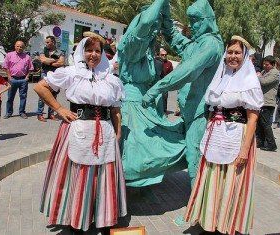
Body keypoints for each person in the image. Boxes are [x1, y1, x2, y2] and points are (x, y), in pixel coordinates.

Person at [35, 35, 127, 231]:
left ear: (103, 54)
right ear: (82, 52)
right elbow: (40, 87)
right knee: (77, 176)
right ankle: (76, 219)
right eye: (89, 50)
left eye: (97, 51)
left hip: (104, 132)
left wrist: (118, 134)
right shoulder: (71, 73)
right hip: (77, 129)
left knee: (103, 177)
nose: (93, 54)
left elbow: (115, 110)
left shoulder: (111, 80)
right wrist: (59, 109)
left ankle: (102, 218)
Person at [184, 37, 264, 234]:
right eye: (230, 52)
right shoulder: (221, 77)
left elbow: (252, 119)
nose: (233, 56)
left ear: (244, 56)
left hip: (237, 137)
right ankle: (209, 222)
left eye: (237, 53)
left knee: (231, 181)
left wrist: (244, 150)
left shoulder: (249, 82)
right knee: (212, 178)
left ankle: (226, 225)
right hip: (216, 136)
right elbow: (213, 109)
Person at [142, 0, 224, 184]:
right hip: (190, 110)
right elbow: (173, 36)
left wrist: (156, 89)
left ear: (207, 20)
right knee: (191, 153)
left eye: (196, 21)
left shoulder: (211, 44)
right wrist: (164, 9)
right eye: (191, 21)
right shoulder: (196, 44)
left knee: (195, 155)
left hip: (200, 112)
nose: (192, 26)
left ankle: (197, 210)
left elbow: (188, 70)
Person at [118, 0, 186, 187]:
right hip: (131, 105)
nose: (155, 30)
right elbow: (147, 22)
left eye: (157, 27)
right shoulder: (132, 46)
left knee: (149, 148)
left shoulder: (147, 51)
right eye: (153, 26)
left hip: (146, 104)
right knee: (133, 150)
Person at [3, 40, 34, 119]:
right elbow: (6, 67)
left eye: (21, 47)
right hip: (12, 79)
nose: (19, 48)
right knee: (10, 97)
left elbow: (30, 68)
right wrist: (9, 77)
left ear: (23, 48)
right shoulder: (9, 55)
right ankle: (9, 112)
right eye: (18, 46)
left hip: (23, 80)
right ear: (15, 46)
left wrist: (27, 77)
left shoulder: (27, 57)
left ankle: (22, 112)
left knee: (23, 97)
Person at [37, 36, 65, 122]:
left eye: (48, 42)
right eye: (46, 42)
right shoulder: (43, 50)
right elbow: (43, 60)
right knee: (42, 94)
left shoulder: (61, 52)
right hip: (44, 73)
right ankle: (40, 114)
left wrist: (48, 61)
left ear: (53, 42)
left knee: (54, 94)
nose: (46, 44)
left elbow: (61, 63)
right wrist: (54, 60)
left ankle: (51, 114)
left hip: (55, 74)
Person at [256, 55, 279, 151]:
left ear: (273, 64)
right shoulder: (264, 72)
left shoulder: (275, 73)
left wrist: (258, 76)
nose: (265, 66)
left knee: (265, 124)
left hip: (268, 102)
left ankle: (271, 144)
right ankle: (260, 142)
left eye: (267, 64)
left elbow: (264, 82)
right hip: (261, 101)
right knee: (260, 123)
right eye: (264, 64)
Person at [158, 48, 173, 112]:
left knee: (164, 97)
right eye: (162, 55)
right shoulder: (155, 61)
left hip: (165, 84)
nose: (164, 56)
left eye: (165, 55)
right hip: (155, 83)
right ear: (159, 55)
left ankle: (164, 111)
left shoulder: (169, 63)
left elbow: (171, 74)